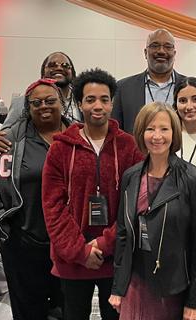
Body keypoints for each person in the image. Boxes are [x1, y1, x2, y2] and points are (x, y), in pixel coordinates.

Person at [42, 68, 144, 320]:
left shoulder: (129, 146)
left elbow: (137, 203)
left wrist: (104, 243)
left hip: (116, 257)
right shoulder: (60, 148)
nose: (97, 106)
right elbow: (52, 206)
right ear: (79, 103)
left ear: (112, 103)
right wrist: (80, 251)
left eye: (104, 99)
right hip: (73, 259)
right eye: (90, 99)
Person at [0, 78, 69, 320]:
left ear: (63, 102)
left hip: (69, 243)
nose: (44, 106)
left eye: (50, 100)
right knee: (28, 310)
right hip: (23, 243)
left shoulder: (78, 136)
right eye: (36, 102)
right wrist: (1, 224)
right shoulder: (7, 141)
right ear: (27, 107)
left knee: (68, 309)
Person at [108, 102, 196, 320]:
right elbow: (123, 235)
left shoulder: (191, 178)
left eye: (164, 129)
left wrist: (194, 300)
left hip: (172, 286)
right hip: (135, 283)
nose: (157, 136)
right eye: (150, 129)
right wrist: (118, 286)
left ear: (174, 133)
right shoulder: (131, 176)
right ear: (141, 132)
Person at [0, 51, 78, 155]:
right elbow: (4, 133)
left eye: (65, 65)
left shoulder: (82, 100)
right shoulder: (22, 102)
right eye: (52, 65)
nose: (59, 68)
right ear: (43, 73)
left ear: (72, 72)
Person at [112, 29, 186, 133]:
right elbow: (115, 132)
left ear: (174, 54)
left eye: (168, 46)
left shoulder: (189, 87)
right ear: (145, 53)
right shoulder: (123, 88)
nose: (161, 51)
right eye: (155, 46)